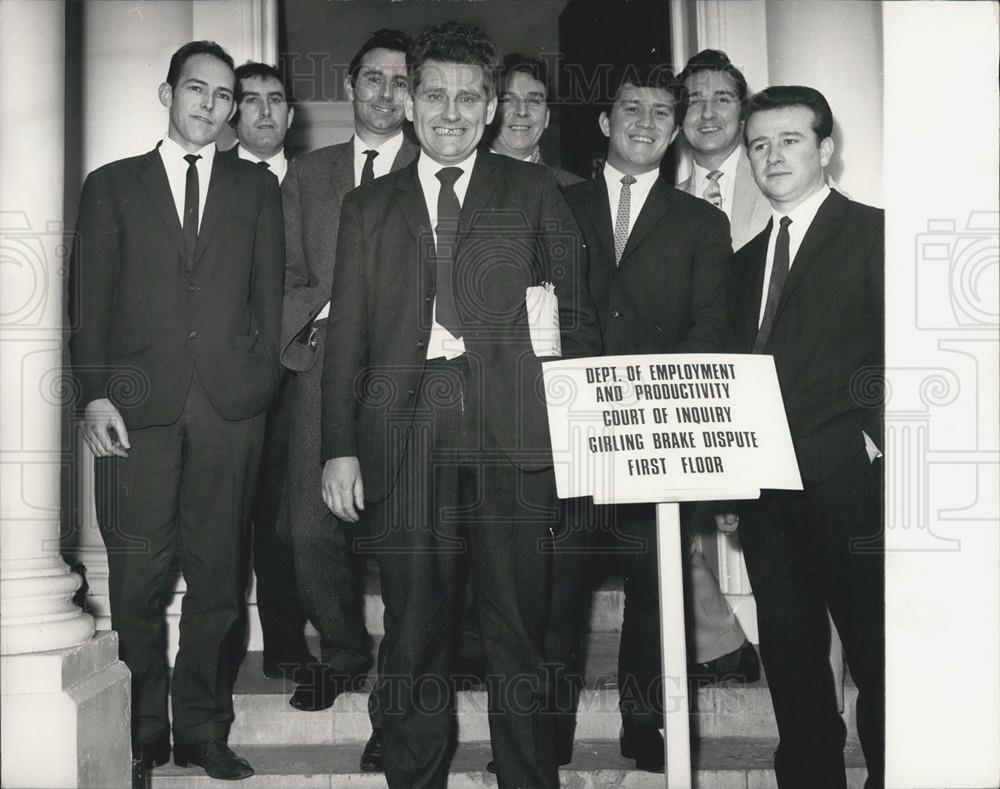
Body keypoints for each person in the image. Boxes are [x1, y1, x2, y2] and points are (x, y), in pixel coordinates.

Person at [320, 21, 600, 788]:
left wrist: (581, 439)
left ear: (490, 109)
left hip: (514, 434)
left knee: (519, 624)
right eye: (435, 93)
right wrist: (339, 445)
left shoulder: (534, 189)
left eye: (469, 97)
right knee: (414, 626)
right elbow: (346, 333)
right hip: (403, 435)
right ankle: (414, 776)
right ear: (409, 102)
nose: (451, 110)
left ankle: (528, 776)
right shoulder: (367, 208)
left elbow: (573, 318)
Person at [69, 40, 283, 782]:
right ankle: (139, 734)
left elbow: (269, 298)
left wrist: (255, 384)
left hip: (229, 412)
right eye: (199, 90)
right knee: (136, 580)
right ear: (168, 94)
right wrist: (94, 392)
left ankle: (200, 729)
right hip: (135, 410)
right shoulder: (112, 186)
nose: (212, 106)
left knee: (220, 581)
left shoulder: (256, 191)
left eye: (226, 97)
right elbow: (88, 301)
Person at [563, 63, 743, 773]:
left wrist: (648, 406)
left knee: (655, 588)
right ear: (605, 122)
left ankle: (645, 724)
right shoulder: (556, 206)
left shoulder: (702, 222)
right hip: (569, 434)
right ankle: (546, 732)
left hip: (655, 433)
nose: (645, 122)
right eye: (630, 108)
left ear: (673, 134)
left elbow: (710, 329)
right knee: (556, 593)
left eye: (661, 114)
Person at [723, 85, 884, 789]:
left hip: (853, 482)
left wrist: (872, 442)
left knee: (882, 656)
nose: (772, 155)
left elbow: (905, 355)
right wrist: (728, 476)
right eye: (758, 144)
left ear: (825, 149)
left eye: (789, 140)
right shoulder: (741, 260)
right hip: (764, 494)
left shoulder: (877, 232)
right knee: (789, 659)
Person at [279, 28, 417, 772]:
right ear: (349, 86)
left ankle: (396, 693)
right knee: (311, 524)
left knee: (405, 531)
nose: (386, 93)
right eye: (374, 78)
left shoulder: (435, 167)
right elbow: (287, 272)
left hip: (408, 371)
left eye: (402, 81)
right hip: (324, 362)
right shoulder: (308, 174)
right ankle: (339, 649)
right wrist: (334, 310)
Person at [226, 60, 315, 683]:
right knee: (228, 513)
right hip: (225, 380)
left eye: (275, 100)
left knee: (287, 515)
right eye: (250, 99)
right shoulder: (214, 180)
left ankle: (286, 638)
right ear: (235, 112)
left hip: (299, 374)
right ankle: (224, 644)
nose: (264, 111)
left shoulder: (311, 183)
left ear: (290, 113)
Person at [676, 49, 770, 252]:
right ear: (679, 118)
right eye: (694, 102)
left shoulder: (779, 179)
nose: (708, 114)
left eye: (722, 100)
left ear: (743, 112)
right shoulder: (666, 206)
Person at [488, 53, 583, 186]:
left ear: (547, 117)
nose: (522, 111)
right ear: (489, 110)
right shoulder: (460, 182)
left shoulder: (576, 191)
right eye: (508, 100)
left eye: (533, 101)